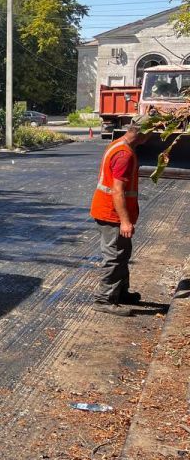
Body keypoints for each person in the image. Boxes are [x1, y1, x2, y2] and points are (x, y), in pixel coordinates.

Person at [89, 117, 150, 315]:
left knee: (123, 253)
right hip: (111, 214)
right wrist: (125, 221)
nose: (152, 136)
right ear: (142, 132)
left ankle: (120, 292)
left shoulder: (118, 144)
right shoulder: (124, 155)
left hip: (110, 211)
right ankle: (104, 299)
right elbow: (118, 190)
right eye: (151, 132)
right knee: (114, 257)